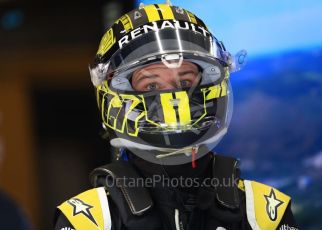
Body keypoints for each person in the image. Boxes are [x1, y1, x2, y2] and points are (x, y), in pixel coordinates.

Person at [54, 1, 298, 229]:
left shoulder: (265, 212)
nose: (173, 97)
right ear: (115, 95)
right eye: (151, 86)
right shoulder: (89, 220)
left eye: (185, 82)